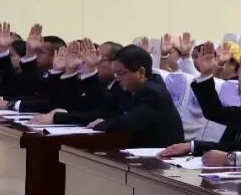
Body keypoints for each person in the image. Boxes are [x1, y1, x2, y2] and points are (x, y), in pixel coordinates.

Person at [43, 45, 185, 147]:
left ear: (141, 72)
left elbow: (129, 121)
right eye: (116, 73)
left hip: (163, 158)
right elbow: (103, 107)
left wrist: (102, 124)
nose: (117, 78)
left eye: (121, 73)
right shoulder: (130, 88)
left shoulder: (153, 92)